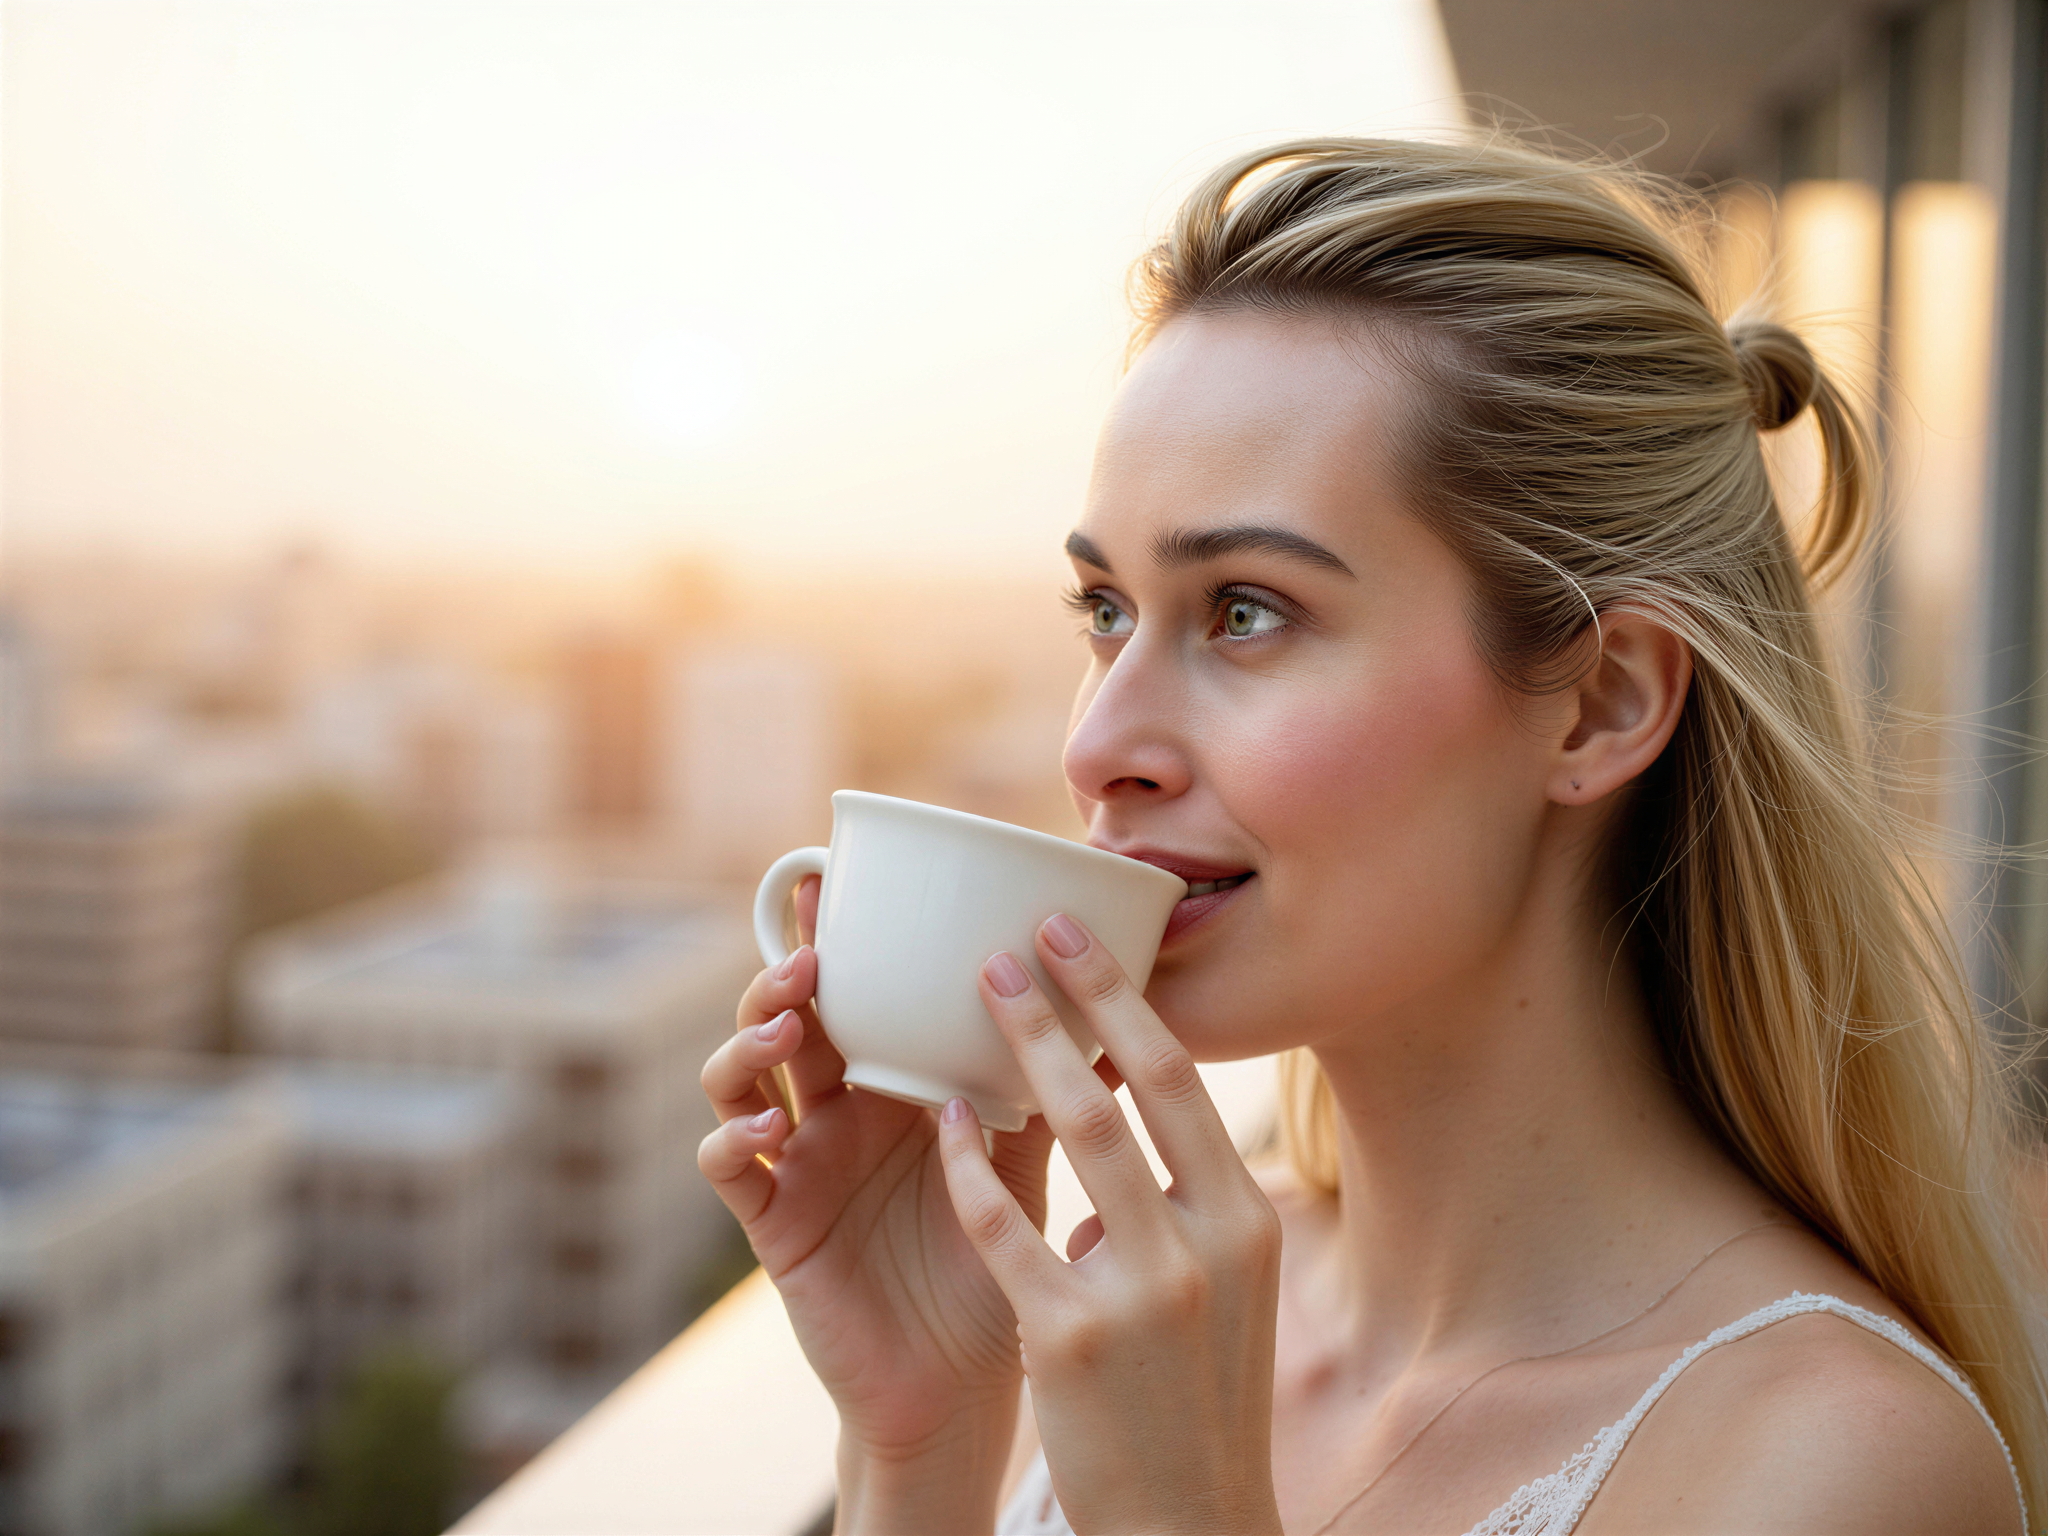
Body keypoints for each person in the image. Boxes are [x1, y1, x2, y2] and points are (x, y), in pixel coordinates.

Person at [698, 136, 2046, 1534]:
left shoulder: (1839, 1469)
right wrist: (919, 1438)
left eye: (1245, 611)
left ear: (1597, 704)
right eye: (1104, 613)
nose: (1096, 746)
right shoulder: (1135, 1305)